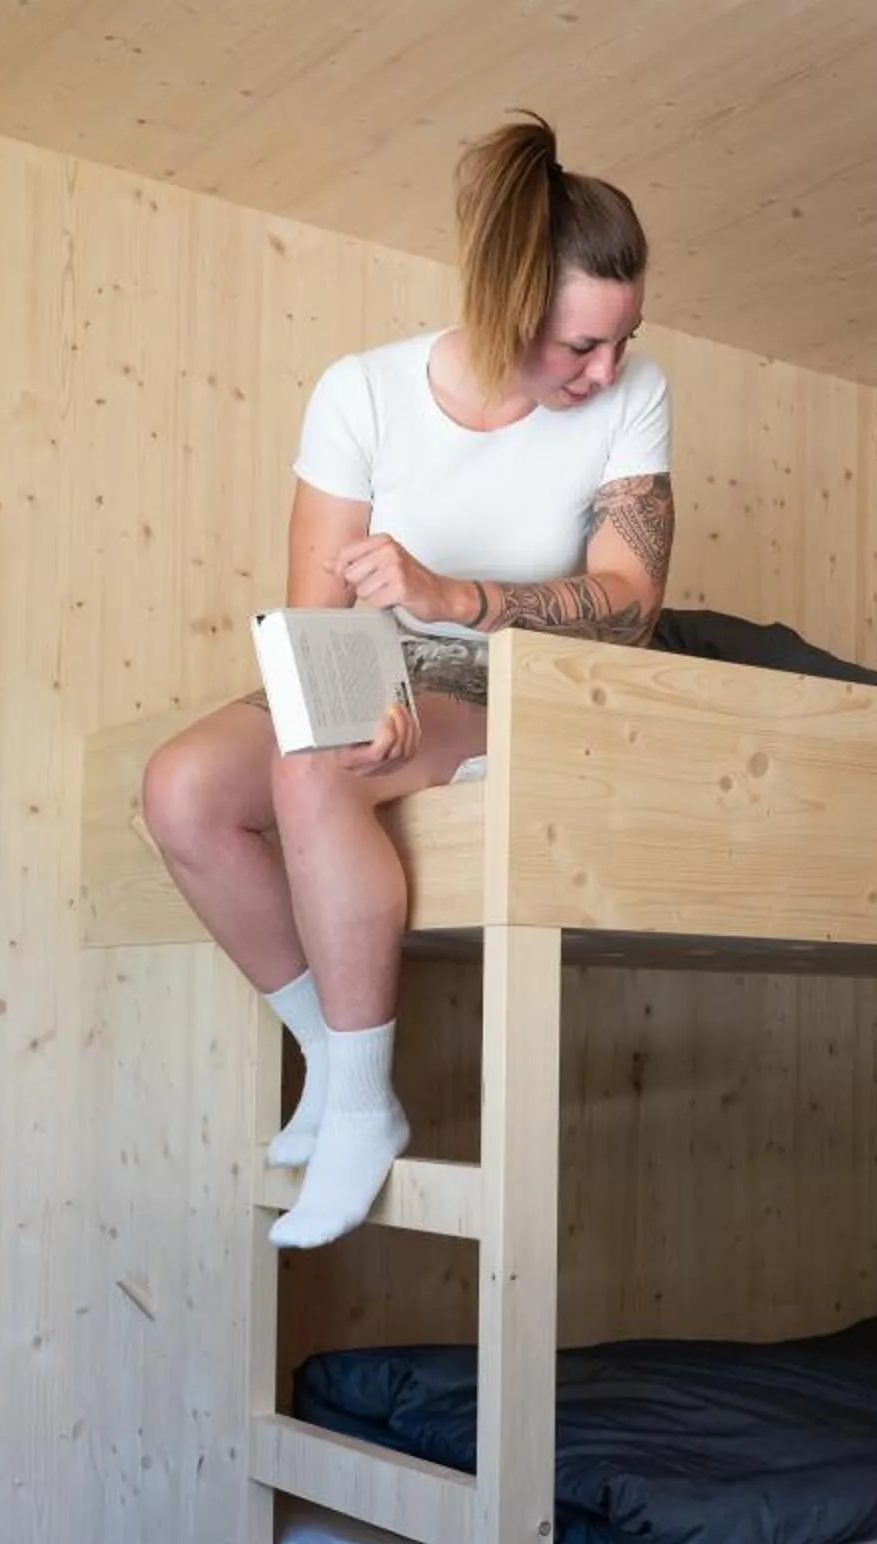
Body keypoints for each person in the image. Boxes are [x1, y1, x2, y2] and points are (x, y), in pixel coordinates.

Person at [137, 113, 674, 1250]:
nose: (605, 369)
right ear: (504, 306)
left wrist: (455, 597)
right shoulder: (364, 394)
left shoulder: (634, 399)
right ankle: (336, 1060)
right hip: (391, 663)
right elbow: (314, 610)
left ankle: (366, 1104)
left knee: (316, 772)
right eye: (580, 345)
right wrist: (354, 686)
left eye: (621, 340)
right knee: (184, 788)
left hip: (530, 678)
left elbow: (630, 603)